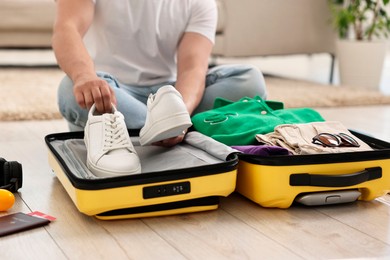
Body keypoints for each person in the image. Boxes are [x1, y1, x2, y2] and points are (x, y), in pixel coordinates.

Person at [52, 0, 267, 147]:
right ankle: (172, 133)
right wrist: (85, 77)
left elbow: (193, 67)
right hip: (112, 92)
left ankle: (142, 134)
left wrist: (177, 115)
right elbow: (67, 28)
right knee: (69, 91)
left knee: (250, 80)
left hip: (171, 94)